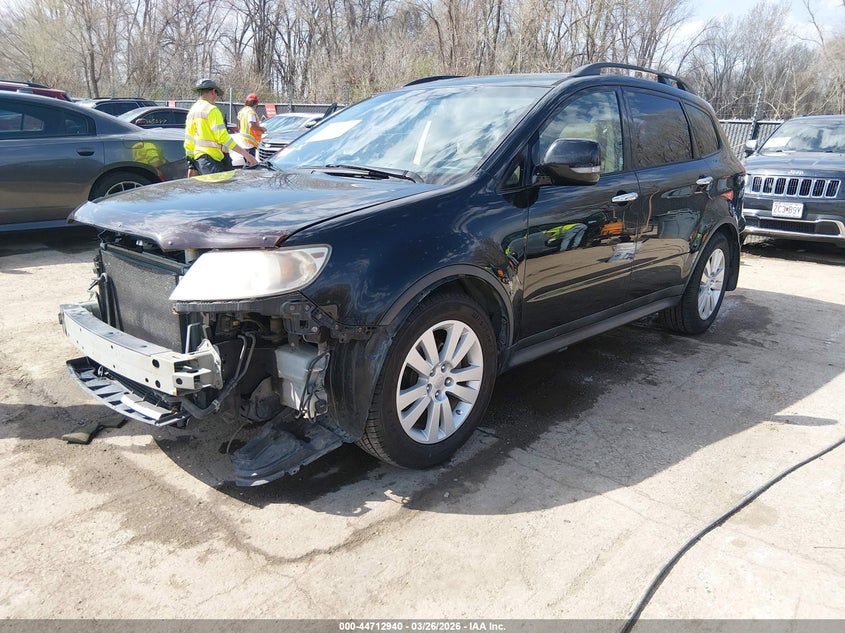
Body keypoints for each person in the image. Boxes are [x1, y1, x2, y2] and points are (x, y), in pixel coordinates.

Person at [184, 78, 257, 174]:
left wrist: (191, 164)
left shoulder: (192, 110)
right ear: (213, 92)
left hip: (199, 162)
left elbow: (189, 140)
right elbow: (223, 138)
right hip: (212, 160)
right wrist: (247, 155)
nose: (216, 98)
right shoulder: (212, 110)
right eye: (216, 94)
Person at [238, 93, 265, 157]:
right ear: (256, 103)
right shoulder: (251, 112)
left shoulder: (242, 111)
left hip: (243, 140)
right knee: (251, 161)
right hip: (250, 142)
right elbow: (252, 126)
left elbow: (239, 125)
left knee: (247, 160)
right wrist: (262, 129)